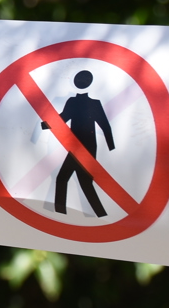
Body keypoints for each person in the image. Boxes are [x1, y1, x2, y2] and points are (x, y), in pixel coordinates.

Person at [42, 69, 115, 217]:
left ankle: (62, 213)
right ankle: (98, 214)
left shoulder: (92, 103)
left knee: (67, 179)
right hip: (76, 146)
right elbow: (64, 118)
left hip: (84, 147)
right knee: (81, 181)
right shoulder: (76, 102)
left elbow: (105, 125)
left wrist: (111, 146)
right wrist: (46, 125)